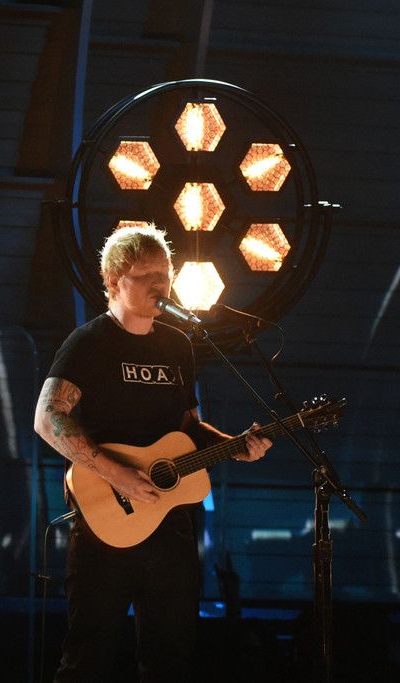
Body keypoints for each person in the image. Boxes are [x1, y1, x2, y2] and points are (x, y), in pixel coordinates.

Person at [34, 224, 273, 681]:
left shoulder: (177, 345)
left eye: (163, 274)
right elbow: (48, 418)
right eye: (145, 276)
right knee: (87, 661)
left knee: (170, 661)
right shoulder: (89, 342)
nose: (159, 285)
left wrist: (235, 447)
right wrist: (117, 473)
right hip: (104, 525)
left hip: (170, 528)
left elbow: (187, 428)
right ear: (114, 280)